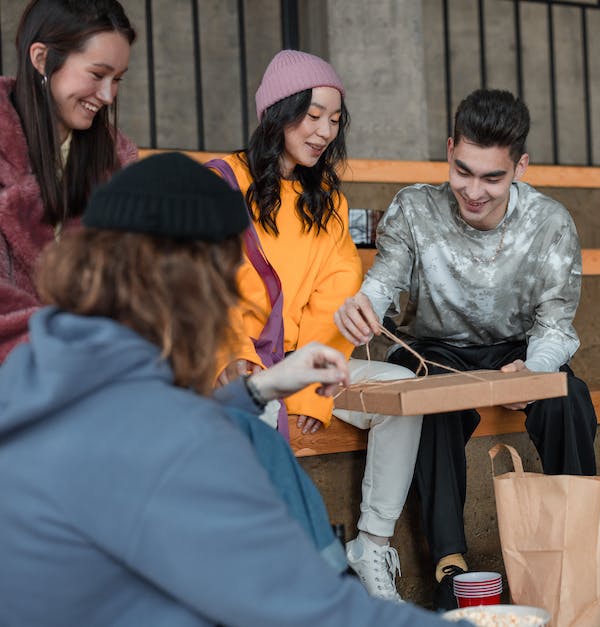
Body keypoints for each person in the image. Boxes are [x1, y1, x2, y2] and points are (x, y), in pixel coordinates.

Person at [0, 152, 467, 627]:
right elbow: (314, 614)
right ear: (196, 289)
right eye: (230, 280)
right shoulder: (173, 448)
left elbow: (142, 427)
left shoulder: (37, 368)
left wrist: (260, 388)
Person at [334, 88, 599, 609]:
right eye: (463, 170)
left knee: (568, 397)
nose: (473, 190)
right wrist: (362, 303)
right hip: (434, 349)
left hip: (520, 346)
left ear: (520, 167)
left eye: (492, 177)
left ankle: (575, 549)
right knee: (432, 400)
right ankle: (449, 567)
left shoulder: (550, 223)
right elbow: (385, 279)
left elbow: (555, 322)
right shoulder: (414, 207)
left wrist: (534, 370)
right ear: (450, 148)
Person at [209, 49, 422, 601]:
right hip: (231, 360)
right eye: (313, 115)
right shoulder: (223, 182)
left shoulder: (326, 204)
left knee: (403, 392)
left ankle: (372, 544)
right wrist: (243, 361)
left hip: (304, 363)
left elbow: (335, 298)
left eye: (334, 119)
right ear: (280, 112)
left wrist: (311, 392)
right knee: (259, 406)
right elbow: (205, 287)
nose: (325, 130)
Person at [0, 0, 138, 360]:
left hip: (94, 374)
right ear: (42, 58)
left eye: (117, 79)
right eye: (97, 75)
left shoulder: (116, 162)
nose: (108, 96)